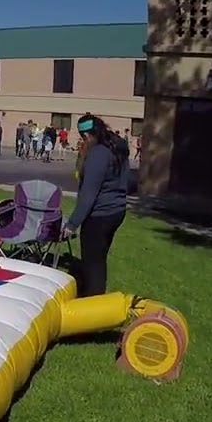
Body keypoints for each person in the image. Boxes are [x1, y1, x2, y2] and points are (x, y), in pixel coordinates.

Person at [64, 114, 130, 298]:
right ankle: (96, 294)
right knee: (100, 258)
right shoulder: (117, 147)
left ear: (86, 135)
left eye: (82, 138)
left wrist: (72, 224)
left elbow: (89, 194)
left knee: (93, 262)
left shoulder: (98, 154)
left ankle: (92, 303)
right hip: (117, 211)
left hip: (100, 215)